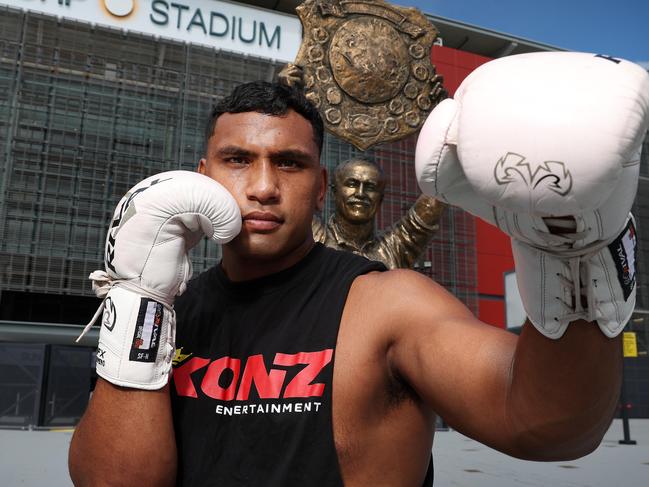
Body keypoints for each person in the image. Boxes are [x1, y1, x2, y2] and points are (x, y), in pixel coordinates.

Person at [68, 52, 649, 487]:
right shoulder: (169, 315)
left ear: (322, 188)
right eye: (238, 160)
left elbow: (550, 426)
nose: (264, 187)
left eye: (290, 164)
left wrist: (573, 249)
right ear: (201, 175)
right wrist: (139, 300)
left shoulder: (387, 303)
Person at [312, 157, 445, 269]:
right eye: (352, 184)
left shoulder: (392, 250)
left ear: (380, 199)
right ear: (334, 192)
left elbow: (427, 212)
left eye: (370, 187)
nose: (360, 194)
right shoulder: (313, 236)